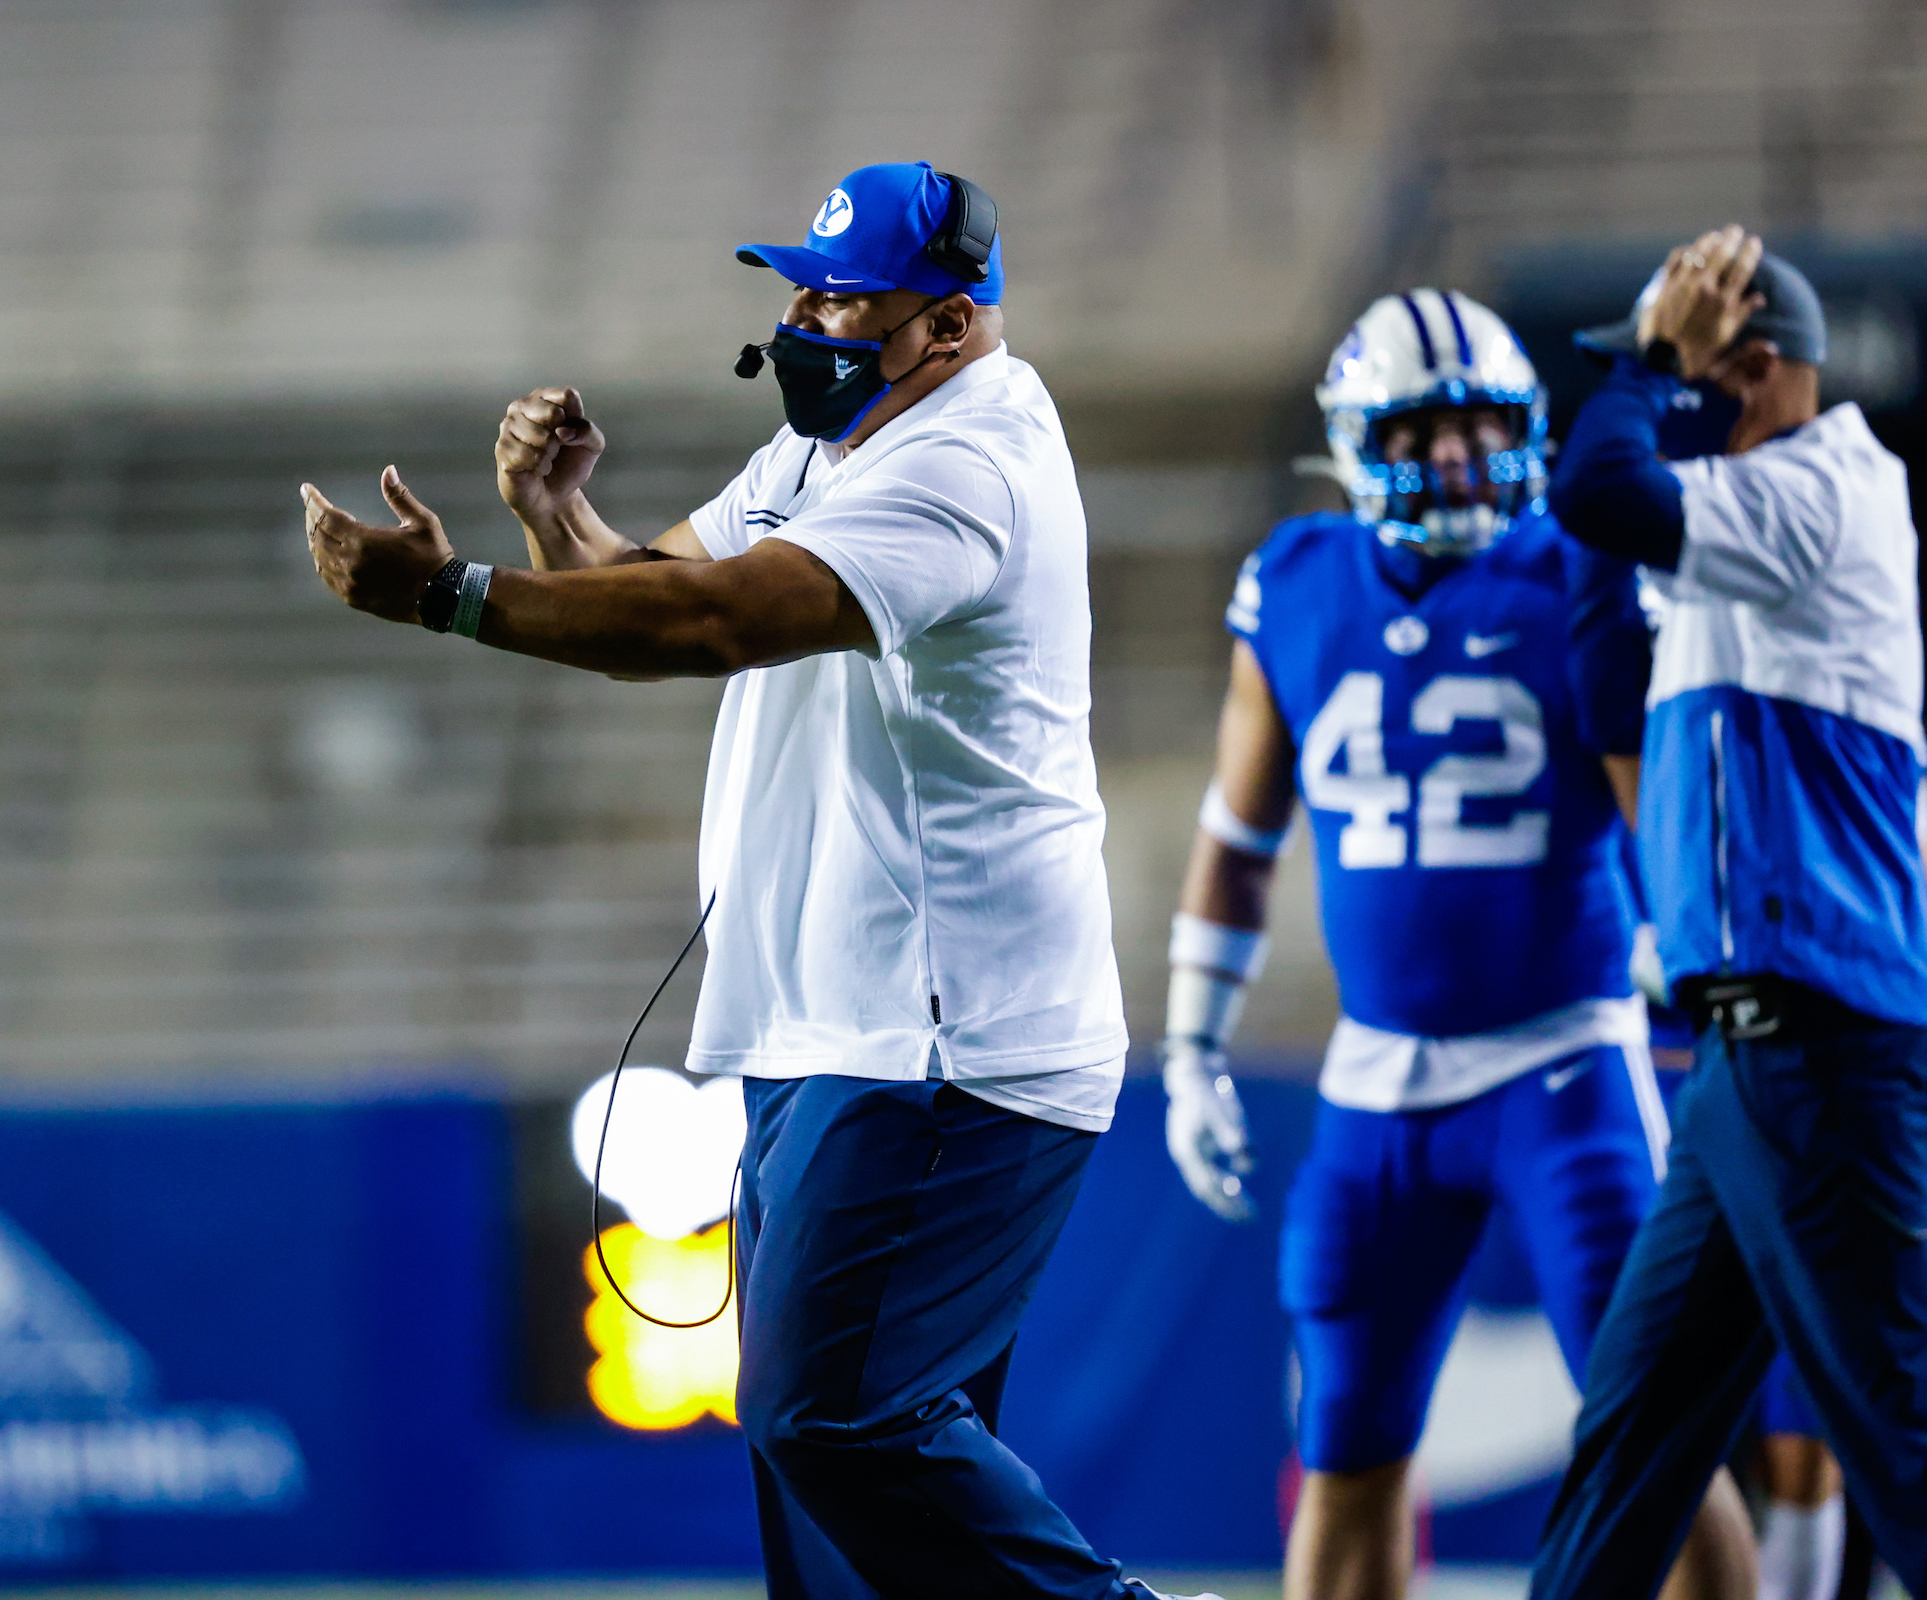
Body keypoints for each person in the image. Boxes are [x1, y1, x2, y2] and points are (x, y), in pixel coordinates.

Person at [305, 159, 1211, 1600]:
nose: (804, 313)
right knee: (842, 1509)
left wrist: (451, 593)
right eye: (800, 283)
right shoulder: (838, 446)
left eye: (843, 293)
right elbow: (643, 596)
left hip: (944, 1044)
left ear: (951, 327)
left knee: (831, 1420)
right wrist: (557, 526)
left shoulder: (966, 462)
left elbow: (715, 619)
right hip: (838, 1029)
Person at [1161, 288, 1752, 1600]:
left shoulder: (1581, 570)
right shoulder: (1297, 584)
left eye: (1481, 427)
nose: (1455, 458)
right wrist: (1194, 1046)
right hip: (1378, 1083)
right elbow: (1237, 834)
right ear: (1355, 441)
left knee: (1652, 1436)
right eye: (1422, 431)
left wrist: (1682, 951)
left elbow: (1654, 801)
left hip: (1567, 1064)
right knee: (1349, 1447)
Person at [1529, 226, 1927, 1600]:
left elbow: (1600, 486)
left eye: (1677, 371)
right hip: (1747, 1067)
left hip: (1824, 1048)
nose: (1643, 395)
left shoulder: (1825, 490)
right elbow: (1600, 675)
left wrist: (1650, 383)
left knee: (1905, 1454)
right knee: (1628, 1453)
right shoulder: (1746, 527)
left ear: (1752, 372)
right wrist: (1635, 417)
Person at [1564, 382, 1853, 1600]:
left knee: (1832, 1411)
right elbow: (1606, 694)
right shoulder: (1639, 662)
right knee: (1691, 1407)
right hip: (1699, 1079)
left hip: (1827, 1058)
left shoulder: (1831, 647)